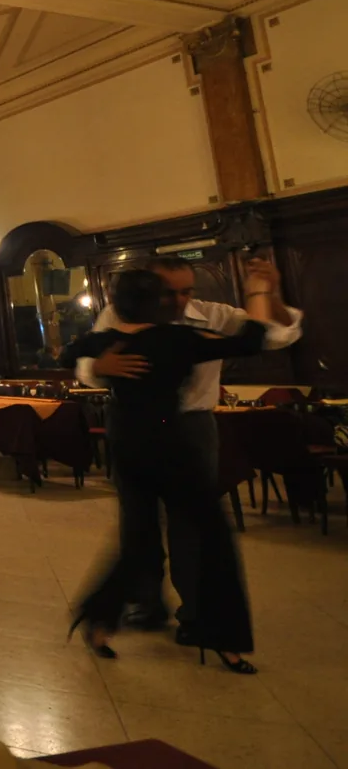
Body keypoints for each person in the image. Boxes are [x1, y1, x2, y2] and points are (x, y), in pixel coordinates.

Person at [76, 256, 301, 636]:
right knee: (138, 522)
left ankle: (196, 613)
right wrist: (98, 368)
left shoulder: (213, 315)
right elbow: (83, 364)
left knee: (191, 524)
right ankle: (146, 605)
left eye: (186, 291)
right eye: (169, 292)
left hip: (192, 424)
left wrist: (269, 294)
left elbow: (277, 336)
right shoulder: (117, 317)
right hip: (133, 426)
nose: (179, 300)